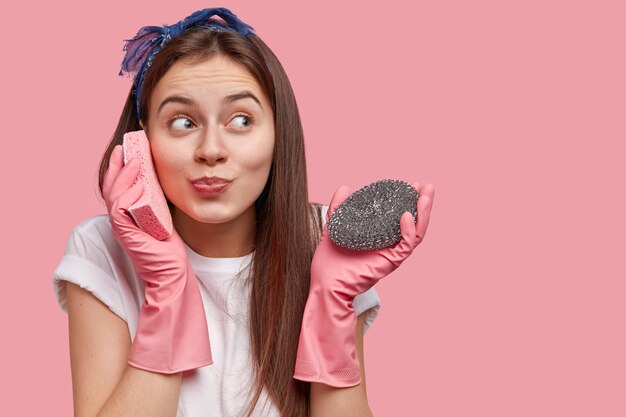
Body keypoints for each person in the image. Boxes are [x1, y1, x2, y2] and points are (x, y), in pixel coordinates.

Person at [51, 7, 435, 417]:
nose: (211, 150)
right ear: (140, 141)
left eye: (241, 119)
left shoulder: (322, 240)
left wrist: (332, 304)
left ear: (277, 133)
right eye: (182, 123)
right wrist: (166, 284)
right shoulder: (101, 248)